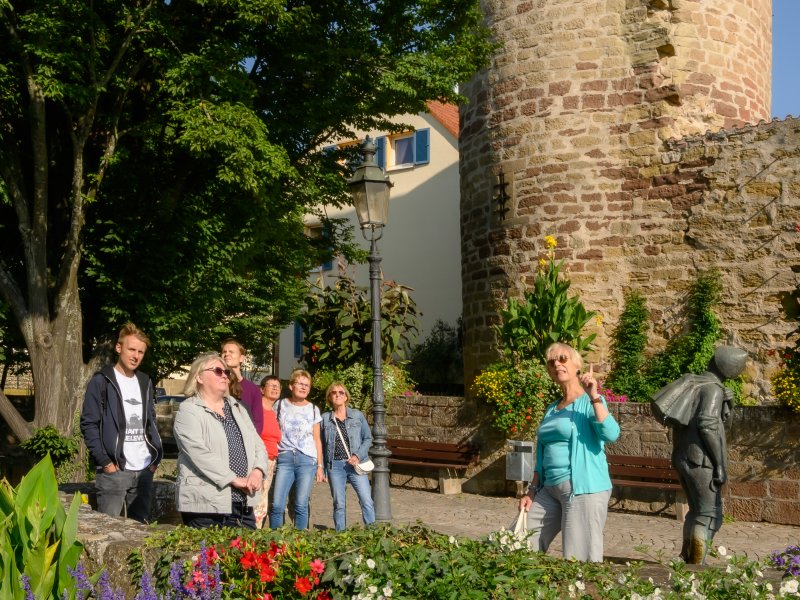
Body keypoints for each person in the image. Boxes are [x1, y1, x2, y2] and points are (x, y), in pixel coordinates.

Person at [518, 342, 620, 562]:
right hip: (549, 490)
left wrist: (594, 395)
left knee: (579, 559)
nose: (556, 363)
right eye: (551, 361)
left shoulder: (588, 403)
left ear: (576, 366)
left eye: (562, 358)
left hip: (582, 489)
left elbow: (611, 434)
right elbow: (542, 454)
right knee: (518, 541)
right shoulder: (552, 408)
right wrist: (532, 491)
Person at [652, 345, 747, 564]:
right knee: (709, 515)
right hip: (701, 461)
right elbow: (708, 426)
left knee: (696, 511)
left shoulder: (695, 384)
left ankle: (687, 559)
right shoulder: (712, 389)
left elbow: (722, 424)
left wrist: (729, 405)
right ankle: (696, 564)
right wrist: (720, 465)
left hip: (683, 457)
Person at [173, 352, 268, 529]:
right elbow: (198, 453)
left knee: (246, 554)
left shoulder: (237, 408)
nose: (225, 375)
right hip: (206, 504)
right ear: (199, 377)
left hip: (243, 502)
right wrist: (233, 479)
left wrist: (258, 470)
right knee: (207, 556)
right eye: (218, 370)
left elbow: (258, 444)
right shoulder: (189, 410)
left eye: (226, 371)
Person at [80, 322, 163, 522]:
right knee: (108, 531)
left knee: (140, 533)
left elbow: (150, 420)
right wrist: (106, 462)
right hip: (114, 470)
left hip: (144, 470)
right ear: (119, 348)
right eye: (131, 349)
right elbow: (88, 424)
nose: (136, 356)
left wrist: (155, 458)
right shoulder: (102, 381)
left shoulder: (145, 381)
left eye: (141, 352)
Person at [268, 369, 324, 530]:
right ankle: (276, 543)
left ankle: (300, 546)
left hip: (307, 460)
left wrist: (320, 466)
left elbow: (317, 439)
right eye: (300, 383)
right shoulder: (280, 405)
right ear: (291, 386)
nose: (303, 387)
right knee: (277, 504)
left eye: (307, 385)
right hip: (285, 458)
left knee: (301, 504)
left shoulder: (313, 409)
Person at [321, 382, 375, 530]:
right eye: (334, 392)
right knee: (339, 503)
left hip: (355, 464)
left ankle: (372, 534)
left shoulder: (357, 416)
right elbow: (320, 444)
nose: (337, 395)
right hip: (335, 466)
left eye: (341, 392)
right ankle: (341, 535)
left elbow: (368, 438)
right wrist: (322, 468)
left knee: (366, 500)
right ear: (329, 397)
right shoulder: (325, 419)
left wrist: (358, 455)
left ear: (346, 397)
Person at [253, 375, 283, 529]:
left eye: (278, 386)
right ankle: (249, 535)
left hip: (271, 461)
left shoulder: (274, 412)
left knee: (263, 500)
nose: (275, 388)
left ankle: (254, 535)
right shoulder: (256, 411)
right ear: (262, 389)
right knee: (255, 499)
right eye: (271, 385)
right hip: (256, 461)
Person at [220, 339, 262, 424]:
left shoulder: (253, 389)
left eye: (231, 352)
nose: (227, 354)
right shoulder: (215, 382)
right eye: (224, 352)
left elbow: (258, 422)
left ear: (241, 358)